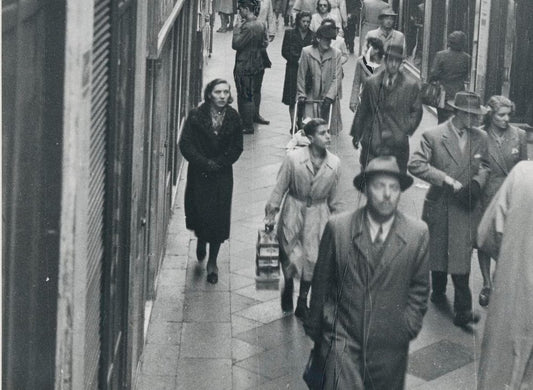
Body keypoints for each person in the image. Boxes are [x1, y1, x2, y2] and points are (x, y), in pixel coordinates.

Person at [304, 155, 429, 389]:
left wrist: (405, 329)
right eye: (379, 186)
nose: (387, 194)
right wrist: (323, 332)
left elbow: (420, 289)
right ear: (366, 189)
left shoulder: (416, 234)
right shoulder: (339, 229)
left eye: (393, 187)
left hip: (389, 349)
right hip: (342, 342)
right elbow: (321, 285)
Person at [408, 91, 490, 327]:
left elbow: (485, 165)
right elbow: (415, 164)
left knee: (461, 256)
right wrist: (445, 178)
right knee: (439, 250)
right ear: (460, 113)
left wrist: (477, 182)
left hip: (466, 206)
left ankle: (463, 310)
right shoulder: (433, 136)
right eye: (473, 115)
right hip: (441, 203)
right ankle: (438, 288)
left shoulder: (481, 137)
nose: (476, 120)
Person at [265, 119, 341, 319]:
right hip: (293, 209)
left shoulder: (334, 163)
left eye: (328, 132)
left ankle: (302, 301)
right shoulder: (293, 159)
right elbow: (279, 188)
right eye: (322, 133)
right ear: (309, 138)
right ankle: (288, 283)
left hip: (319, 213)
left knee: (313, 258)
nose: (328, 136)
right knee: (289, 252)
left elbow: (335, 198)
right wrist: (271, 214)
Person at [179, 79, 244, 284]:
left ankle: (212, 262)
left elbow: (237, 147)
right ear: (209, 94)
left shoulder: (234, 117)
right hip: (200, 174)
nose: (223, 96)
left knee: (218, 217)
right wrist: (204, 163)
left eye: (226, 92)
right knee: (200, 212)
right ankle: (200, 239)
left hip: (222, 175)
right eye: (218, 92)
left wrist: (220, 163)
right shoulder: (196, 116)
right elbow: (186, 145)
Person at [476, 161, 533, 390]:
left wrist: (513, 258)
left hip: (514, 297)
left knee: (503, 370)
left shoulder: (522, 173)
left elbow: (485, 236)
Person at [476, 96, 527, 307]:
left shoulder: (520, 136)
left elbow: (524, 169)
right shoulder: (480, 135)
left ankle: (499, 280)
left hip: (510, 196)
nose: (507, 119)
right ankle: (487, 284)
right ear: (491, 115)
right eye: (501, 115)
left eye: (508, 115)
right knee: (484, 240)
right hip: (486, 194)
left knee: (506, 240)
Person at [351, 44, 422, 171]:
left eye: (397, 61)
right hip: (373, 140)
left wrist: (405, 128)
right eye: (391, 60)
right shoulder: (371, 83)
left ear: (401, 63)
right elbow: (363, 110)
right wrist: (357, 133)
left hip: (397, 143)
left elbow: (416, 111)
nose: (393, 64)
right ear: (385, 60)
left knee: (395, 180)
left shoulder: (410, 86)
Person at [297, 23, 343, 134]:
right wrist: (301, 94)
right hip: (311, 94)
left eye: (330, 40)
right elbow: (301, 75)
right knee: (308, 127)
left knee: (326, 130)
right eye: (326, 39)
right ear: (318, 38)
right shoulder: (306, 52)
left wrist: (330, 97)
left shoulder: (336, 54)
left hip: (327, 96)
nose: (329, 42)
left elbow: (337, 77)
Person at [232, 0, 269, 134]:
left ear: (247, 9)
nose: (239, 12)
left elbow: (236, 44)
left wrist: (236, 30)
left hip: (245, 64)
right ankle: (255, 116)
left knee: (244, 94)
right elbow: (265, 42)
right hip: (258, 64)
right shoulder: (261, 24)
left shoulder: (246, 27)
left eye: (241, 9)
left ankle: (247, 125)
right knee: (256, 91)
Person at [281, 11, 314, 132]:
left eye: (308, 22)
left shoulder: (313, 35)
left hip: (308, 72)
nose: (306, 24)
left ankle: (301, 122)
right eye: (303, 21)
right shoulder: (289, 33)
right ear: (298, 21)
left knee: (304, 97)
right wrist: (296, 59)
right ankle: (293, 123)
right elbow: (284, 51)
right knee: (291, 97)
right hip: (292, 69)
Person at [429, 31, 471, 123]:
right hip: (459, 95)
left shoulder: (441, 55)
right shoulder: (467, 58)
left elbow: (433, 74)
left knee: (442, 121)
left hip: (443, 94)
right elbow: (466, 74)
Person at [349, 36, 384, 113]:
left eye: (368, 47)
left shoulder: (385, 63)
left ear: (376, 50)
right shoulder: (361, 62)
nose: (365, 49)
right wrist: (353, 100)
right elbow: (356, 83)